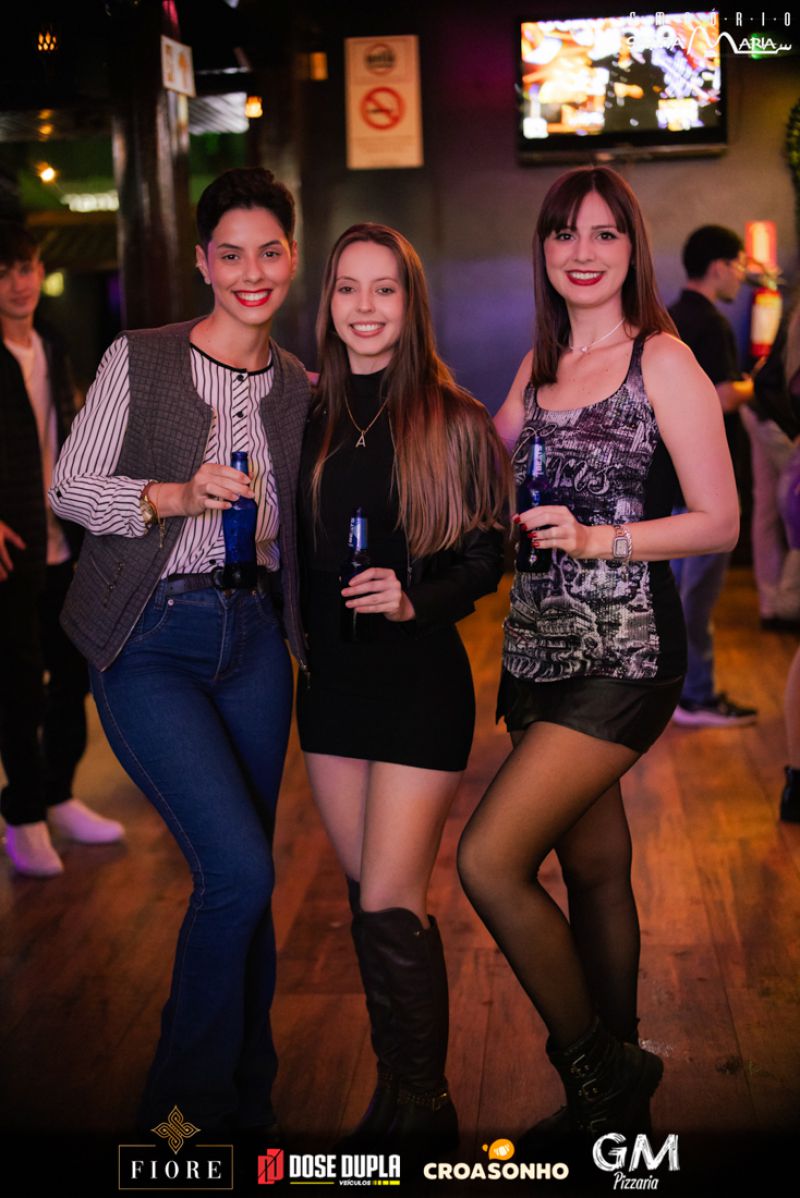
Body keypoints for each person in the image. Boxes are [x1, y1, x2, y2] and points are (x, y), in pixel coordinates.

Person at [457, 166, 739, 1141]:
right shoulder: (534, 368)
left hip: (624, 654)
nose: (581, 252)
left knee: (488, 861)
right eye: (563, 233)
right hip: (535, 651)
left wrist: (596, 538)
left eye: (604, 234)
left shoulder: (661, 360)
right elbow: (471, 459)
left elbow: (716, 520)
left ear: (631, 249)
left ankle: (596, 1071)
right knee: (594, 871)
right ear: (542, 249)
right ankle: (615, 1111)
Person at [49, 168, 310, 1134]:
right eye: (231, 254)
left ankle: (250, 1101)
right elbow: (71, 486)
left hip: (254, 643)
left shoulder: (301, 387)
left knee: (247, 880)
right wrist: (169, 494)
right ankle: (180, 1126)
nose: (252, 273)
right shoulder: (141, 356)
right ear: (203, 262)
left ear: (292, 257)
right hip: (150, 638)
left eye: (269, 252)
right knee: (238, 871)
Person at [297, 223, 508, 1157]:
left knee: (389, 898)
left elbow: (488, 555)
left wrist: (414, 597)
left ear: (410, 302)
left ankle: (424, 1108)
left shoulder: (452, 419)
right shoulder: (304, 415)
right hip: (331, 692)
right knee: (366, 902)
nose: (365, 307)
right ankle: (399, 1094)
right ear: (329, 301)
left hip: (419, 686)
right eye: (349, 288)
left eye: (384, 289)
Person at [0, 221, 124, 878]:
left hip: (62, 538)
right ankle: (22, 816)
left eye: (25, 268)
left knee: (73, 675)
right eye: (3, 273)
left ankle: (58, 793)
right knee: (19, 687)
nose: (18, 284)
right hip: (10, 550)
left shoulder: (51, 342)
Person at [668, 225, 758, 727]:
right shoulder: (711, 323)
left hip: (672, 477)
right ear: (719, 266)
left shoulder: (668, 319)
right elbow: (723, 397)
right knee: (697, 596)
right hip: (707, 480)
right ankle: (695, 696)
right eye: (738, 265)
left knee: (678, 591)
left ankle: (674, 691)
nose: (740, 276)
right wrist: (756, 385)